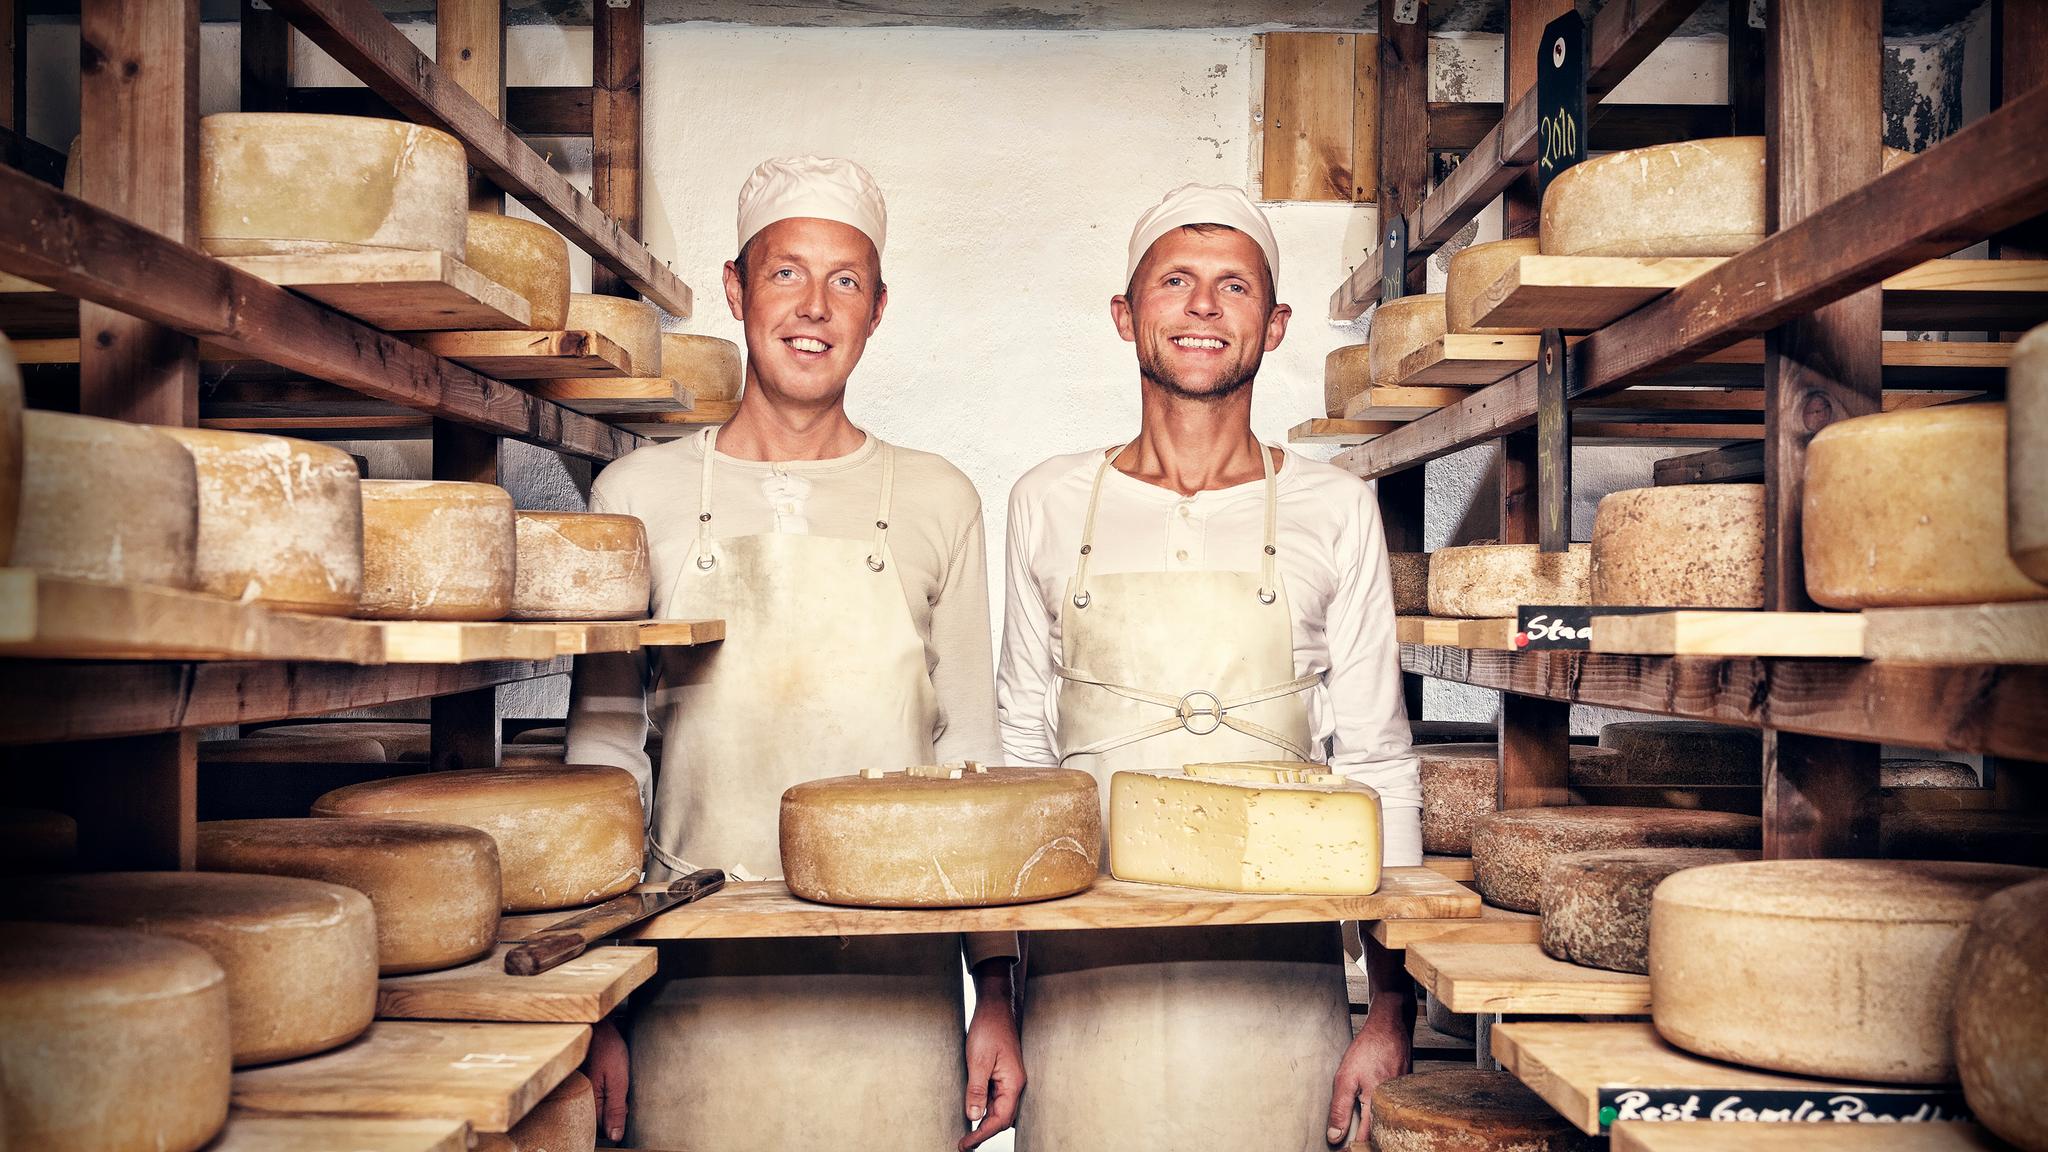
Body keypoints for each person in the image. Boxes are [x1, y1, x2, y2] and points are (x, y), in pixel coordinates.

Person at [565, 156, 1022, 1151]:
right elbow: (604, 761)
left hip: (892, 982)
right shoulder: (635, 496)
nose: (814, 306)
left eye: (845, 280)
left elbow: (973, 764)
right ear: (735, 290)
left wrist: (993, 991)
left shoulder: (938, 498)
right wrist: (592, 1004)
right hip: (690, 979)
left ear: (877, 310)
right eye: (785, 272)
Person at [995, 184, 1422, 1150]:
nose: (1202, 306)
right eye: (1175, 281)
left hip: (1280, 989)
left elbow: (1376, 763)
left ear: (1273, 326)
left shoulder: (1333, 507)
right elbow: (1021, 757)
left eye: (1233, 286)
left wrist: (1389, 1011)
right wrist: (997, 998)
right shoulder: (1048, 501)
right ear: (1125, 315)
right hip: (1081, 991)